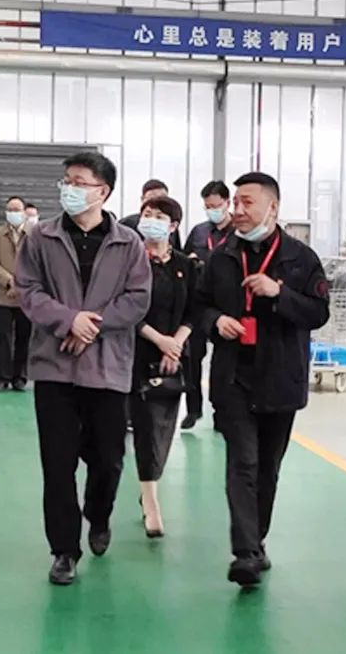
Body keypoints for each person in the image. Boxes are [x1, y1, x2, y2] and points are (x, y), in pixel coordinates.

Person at [15, 151, 151, 586]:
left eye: (79, 182)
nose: (69, 189)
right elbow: (28, 290)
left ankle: (99, 514)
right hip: (54, 368)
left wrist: (91, 326)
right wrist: (67, 320)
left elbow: (138, 298)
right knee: (57, 465)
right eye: (66, 181)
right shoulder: (41, 237)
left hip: (108, 368)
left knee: (108, 460)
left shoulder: (129, 243)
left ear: (102, 191)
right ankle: (64, 550)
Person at [197, 172, 330, 587]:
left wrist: (279, 294)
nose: (237, 210)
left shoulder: (300, 259)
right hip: (234, 376)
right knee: (243, 462)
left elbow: (318, 313)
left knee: (268, 467)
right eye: (235, 202)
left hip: (281, 377)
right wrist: (216, 321)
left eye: (247, 202)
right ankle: (245, 552)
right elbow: (199, 305)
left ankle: (257, 540)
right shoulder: (221, 256)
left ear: (273, 207)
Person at [130, 195, 196, 538]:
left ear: (173, 226)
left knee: (163, 427)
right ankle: (151, 500)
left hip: (174, 358)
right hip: (136, 353)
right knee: (144, 426)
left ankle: (148, 486)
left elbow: (194, 310)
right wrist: (160, 341)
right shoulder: (130, 261)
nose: (150, 220)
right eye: (147, 214)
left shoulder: (185, 265)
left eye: (159, 216)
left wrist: (176, 344)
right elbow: (127, 309)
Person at [180, 180, 233, 430]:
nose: (212, 211)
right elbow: (182, 260)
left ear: (227, 203)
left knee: (223, 363)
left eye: (215, 206)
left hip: (225, 306)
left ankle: (221, 411)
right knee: (192, 358)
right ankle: (193, 409)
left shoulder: (238, 233)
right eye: (207, 207)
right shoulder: (199, 232)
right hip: (200, 303)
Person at [0, 196, 32, 392]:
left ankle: (20, 377)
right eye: (10, 209)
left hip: (27, 297)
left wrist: (21, 284)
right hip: (4, 296)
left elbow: (38, 264)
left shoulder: (34, 234)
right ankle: (2, 377)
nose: (13, 213)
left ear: (24, 212)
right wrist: (9, 280)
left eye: (17, 209)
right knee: (4, 337)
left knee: (24, 337)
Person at [121, 179, 183, 250]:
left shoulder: (169, 225)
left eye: (162, 198)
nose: (157, 202)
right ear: (143, 199)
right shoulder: (126, 224)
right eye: (152, 198)